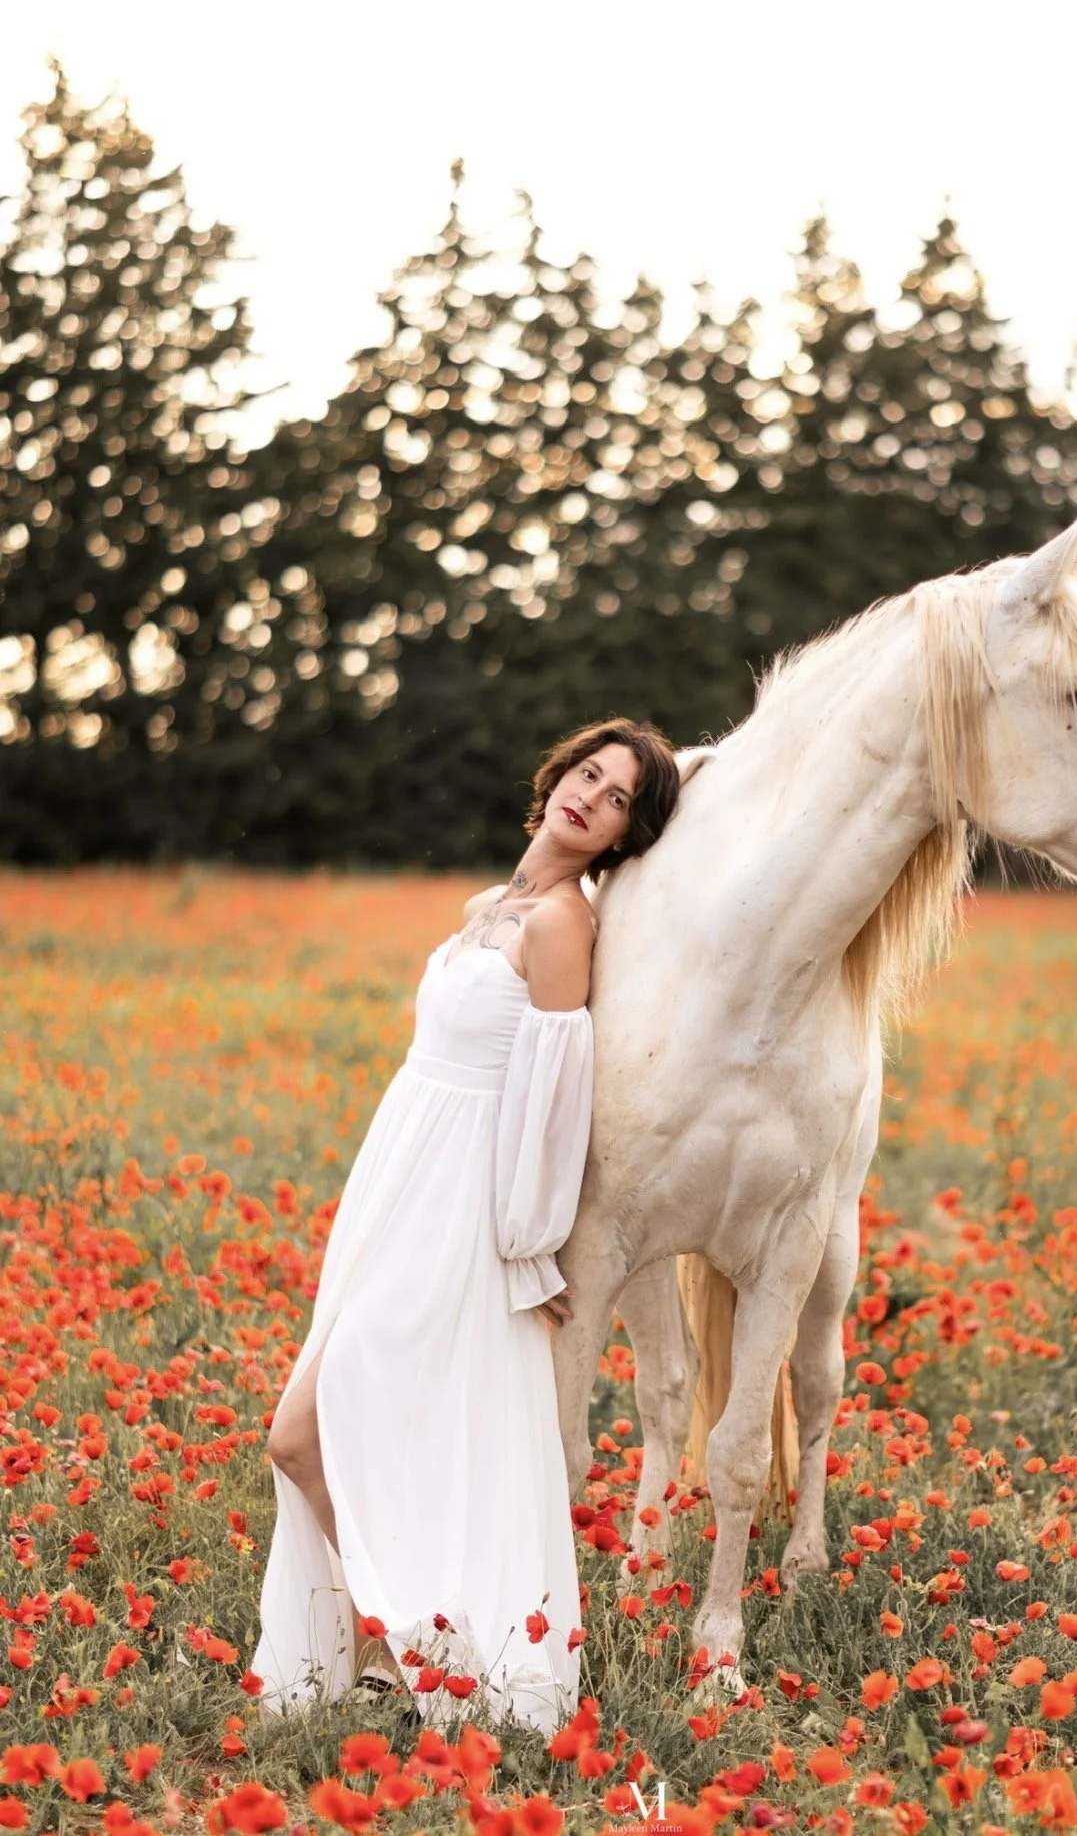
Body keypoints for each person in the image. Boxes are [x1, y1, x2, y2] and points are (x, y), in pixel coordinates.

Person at [251, 718, 681, 1735]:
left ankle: (424, 1650)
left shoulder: (563, 925)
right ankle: (409, 1649)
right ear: (558, 774)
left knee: (302, 1433)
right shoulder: (490, 905)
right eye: (591, 772)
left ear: (624, 835)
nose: (593, 797)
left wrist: (528, 1246)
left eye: (620, 798)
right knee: (346, 1434)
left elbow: (550, 1099)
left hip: (461, 1216)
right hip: (399, 1179)